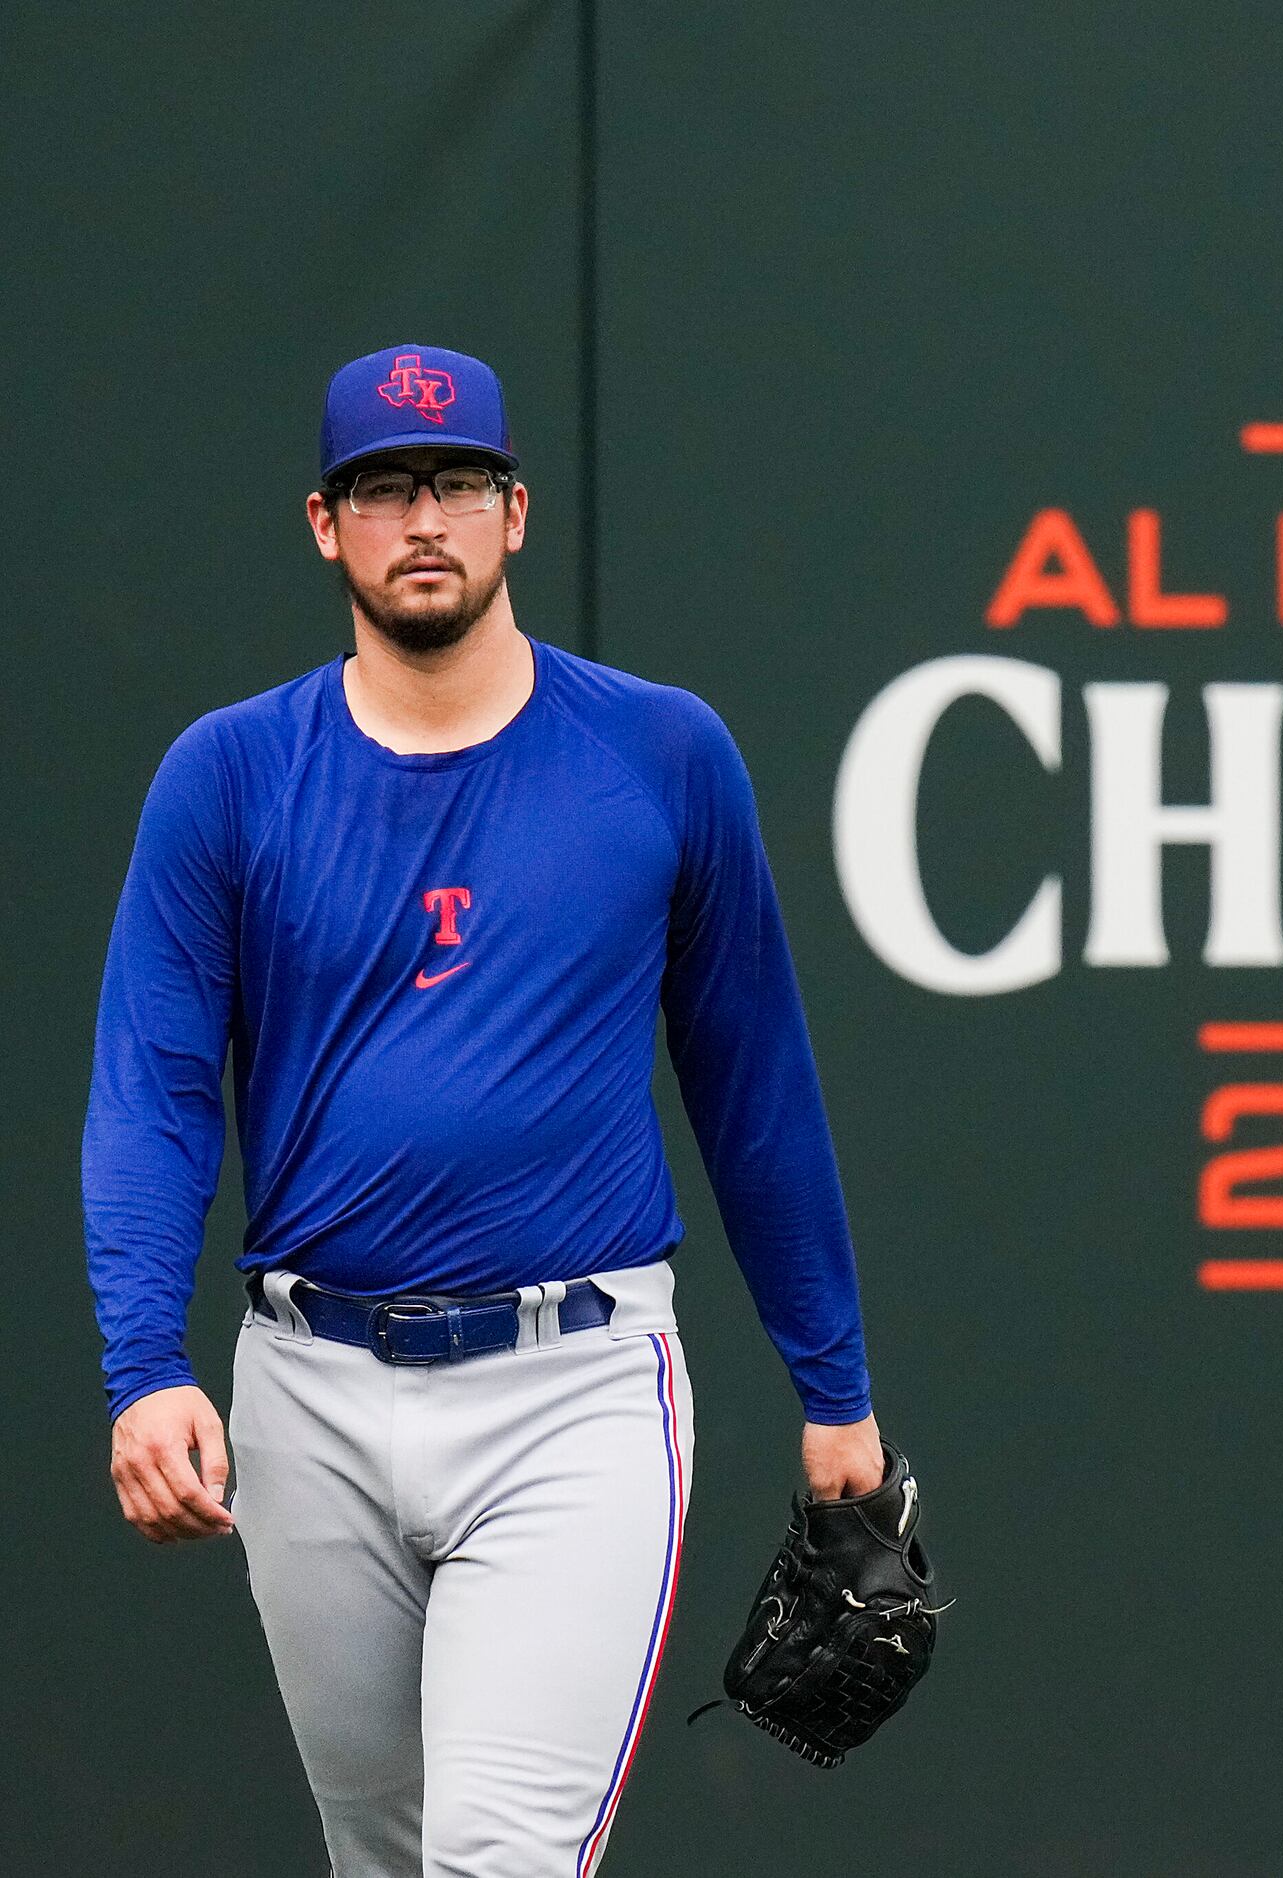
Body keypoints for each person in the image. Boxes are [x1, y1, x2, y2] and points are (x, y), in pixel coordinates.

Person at [83, 342, 889, 1876]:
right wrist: (141, 1362)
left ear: (515, 511)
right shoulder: (232, 776)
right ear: (328, 527)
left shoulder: (658, 752)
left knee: (500, 1858)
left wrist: (831, 1382)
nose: (424, 516)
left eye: (454, 482)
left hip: (571, 1385)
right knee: (384, 1859)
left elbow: (754, 1083)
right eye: (385, 489)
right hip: (308, 1385)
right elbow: (155, 1092)